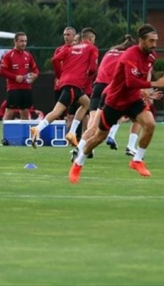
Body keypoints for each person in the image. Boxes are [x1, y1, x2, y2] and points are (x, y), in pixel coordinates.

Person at [69, 24, 164, 183]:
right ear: (141, 40)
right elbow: (130, 82)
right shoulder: (130, 55)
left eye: (156, 40)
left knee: (150, 124)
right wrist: (155, 84)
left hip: (133, 100)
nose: (154, 44)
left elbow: (138, 81)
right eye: (151, 41)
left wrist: (146, 91)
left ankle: (137, 160)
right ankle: (78, 163)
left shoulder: (151, 56)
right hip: (115, 101)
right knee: (99, 136)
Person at [30, 27, 98, 148]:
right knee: (57, 112)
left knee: (86, 104)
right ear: (91, 39)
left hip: (68, 83)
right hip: (74, 83)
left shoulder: (71, 48)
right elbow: (93, 68)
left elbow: (55, 59)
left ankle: (72, 132)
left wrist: (60, 75)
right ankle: (38, 128)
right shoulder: (92, 48)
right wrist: (88, 75)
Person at [0, 32, 39, 120]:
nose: (24, 43)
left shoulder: (28, 55)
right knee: (9, 112)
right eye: (21, 41)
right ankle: (5, 134)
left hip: (26, 88)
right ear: (15, 42)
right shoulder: (8, 55)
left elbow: (36, 69)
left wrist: (35, 75)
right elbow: (2, 71)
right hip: (13, 88)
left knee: (25, 112)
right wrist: (15, 77)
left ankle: (24, 134)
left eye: (25, 41)